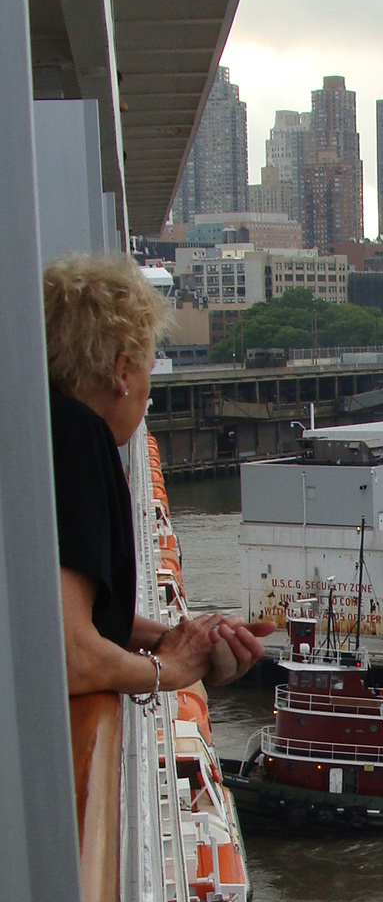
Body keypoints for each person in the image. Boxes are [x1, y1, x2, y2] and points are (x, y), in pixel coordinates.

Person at [44, 253, 270, 697]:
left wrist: (181, 640)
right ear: (123, 371)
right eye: (148, 368)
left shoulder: (41, 426)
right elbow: (69, 654)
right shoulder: (78, 436)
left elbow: (66, 614)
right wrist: (168, 668)